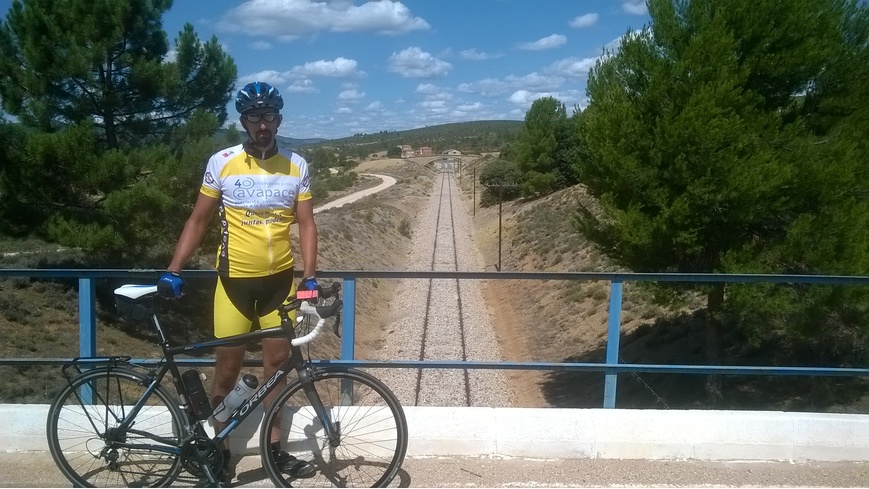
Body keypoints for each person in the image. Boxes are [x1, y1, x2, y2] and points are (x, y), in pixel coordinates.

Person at [157, 81, 318, 482]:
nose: (262, 124)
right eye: (254, 117)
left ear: (279, 119)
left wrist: (310, 279)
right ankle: (219, 450)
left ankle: (275, 451)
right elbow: (198, 219)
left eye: (269, 116)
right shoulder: (222, 161)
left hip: (279, 283)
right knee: (226, 372)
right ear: (243, 121)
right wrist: (174, 269)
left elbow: (307, 223)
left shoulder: (296, 164)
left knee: (277, 370)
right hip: (232, 284)